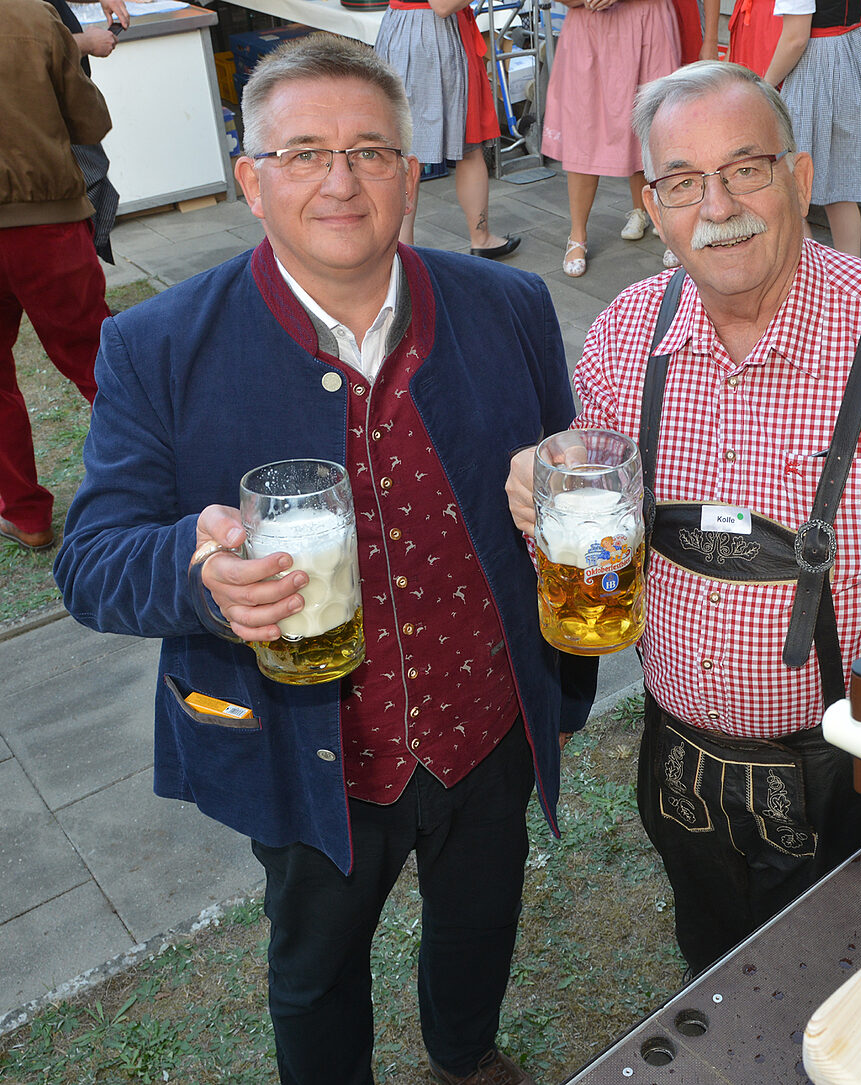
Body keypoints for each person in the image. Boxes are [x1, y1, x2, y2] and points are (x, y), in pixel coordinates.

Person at [54, 34, 596, 1085]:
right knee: (313, 965)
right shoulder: (158, 345)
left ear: (410, 169)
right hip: (306, 750)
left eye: (370, 151)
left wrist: (560, 499)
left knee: (482, 911)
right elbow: (93, 561)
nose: (340, 180)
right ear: (252, 182)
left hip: (485, 719)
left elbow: (554, 476)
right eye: (303, 153)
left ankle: (464, 1051)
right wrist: (195, 569)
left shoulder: (510, 307)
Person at [506, 60, 861, 974]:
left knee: (847, 991)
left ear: (801, 178)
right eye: (684, 182)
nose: (718, 206)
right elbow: (595, 507)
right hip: (680, 757)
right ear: (649, 203)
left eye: (746, 169)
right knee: (714, 963)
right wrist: (541, 498)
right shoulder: (626, 333)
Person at [0, 0, 112, 552]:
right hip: (46, 221)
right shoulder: (34, 17)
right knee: (100, 362)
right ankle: (161, 480)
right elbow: (91, 122)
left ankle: (26, 515)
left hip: (42, 218)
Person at [539, 0, 680, 277]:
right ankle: (577, 235)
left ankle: (674, 226)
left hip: (645, 20)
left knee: (657, 127)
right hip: (587, 26)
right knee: (583, 131)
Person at [375, 0, 522, 259]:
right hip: (428, 35)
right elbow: (443, 4)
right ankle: (406, 251)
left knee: (416, 149)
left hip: (410, 28)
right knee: (418, 151)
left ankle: (409, 248)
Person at [764, 0, 861, 256]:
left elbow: (796, 38)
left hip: (819, 62)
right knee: (841, 190)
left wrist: (764, 87)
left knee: (789, 182)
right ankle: (854, 278)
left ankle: (807, 273)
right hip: (856, 47)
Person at [46, 0, 130, 264]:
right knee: (79, 202)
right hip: (47, 109)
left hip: (63, 101)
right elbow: (31, 46)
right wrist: (85, 42)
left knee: (88, 197)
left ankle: (91, 297)